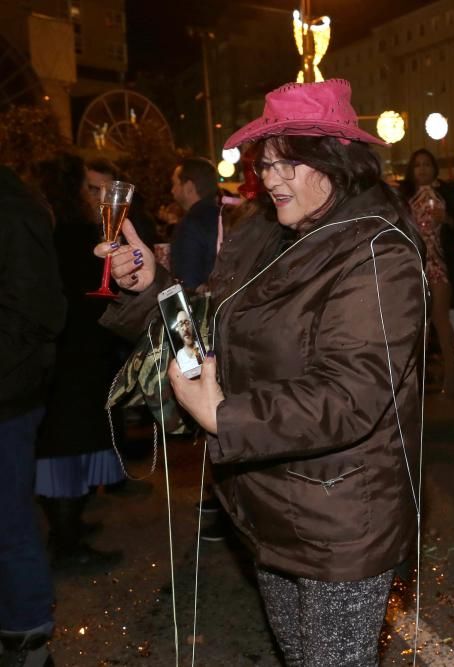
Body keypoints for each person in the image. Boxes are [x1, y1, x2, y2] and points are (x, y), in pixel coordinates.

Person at [95, 78, 424, 665]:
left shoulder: (376, 253)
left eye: (288, 163)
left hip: (337, 522)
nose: (270, 177)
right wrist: (152, 286)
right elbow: (210, 325)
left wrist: (225, 415)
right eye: (264, 163)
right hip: (268, 508)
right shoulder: (271, 235)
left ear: (338, 162)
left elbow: (350, 395)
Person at [31, 153, 125, 573]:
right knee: (68, 451)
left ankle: (66, 530)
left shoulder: (43, 231)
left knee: (63, 449)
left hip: (59, 361)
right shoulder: (78, 235)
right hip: (76, 359)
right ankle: (66, 543)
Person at [0, 161, 65, 666]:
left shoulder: (14, 207)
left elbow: (36, 313)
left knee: (9, 519)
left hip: (8, 397)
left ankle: (28, 637)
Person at [400, 149, 454, 395]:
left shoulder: (443, 194)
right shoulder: (404, 198)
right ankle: (418, 378)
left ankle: (451, 376)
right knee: (416, 324)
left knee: (439, 319)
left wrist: (445, 218)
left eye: (427, 164)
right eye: (417, 165)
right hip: (412, 264)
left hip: (436, 263)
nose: (422, 169)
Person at [169, 157, 220, 290]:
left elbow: (187, 282)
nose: (172, 191)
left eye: (175, 184)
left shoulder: (190, 224)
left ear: (189, 187)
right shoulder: (226, 217)